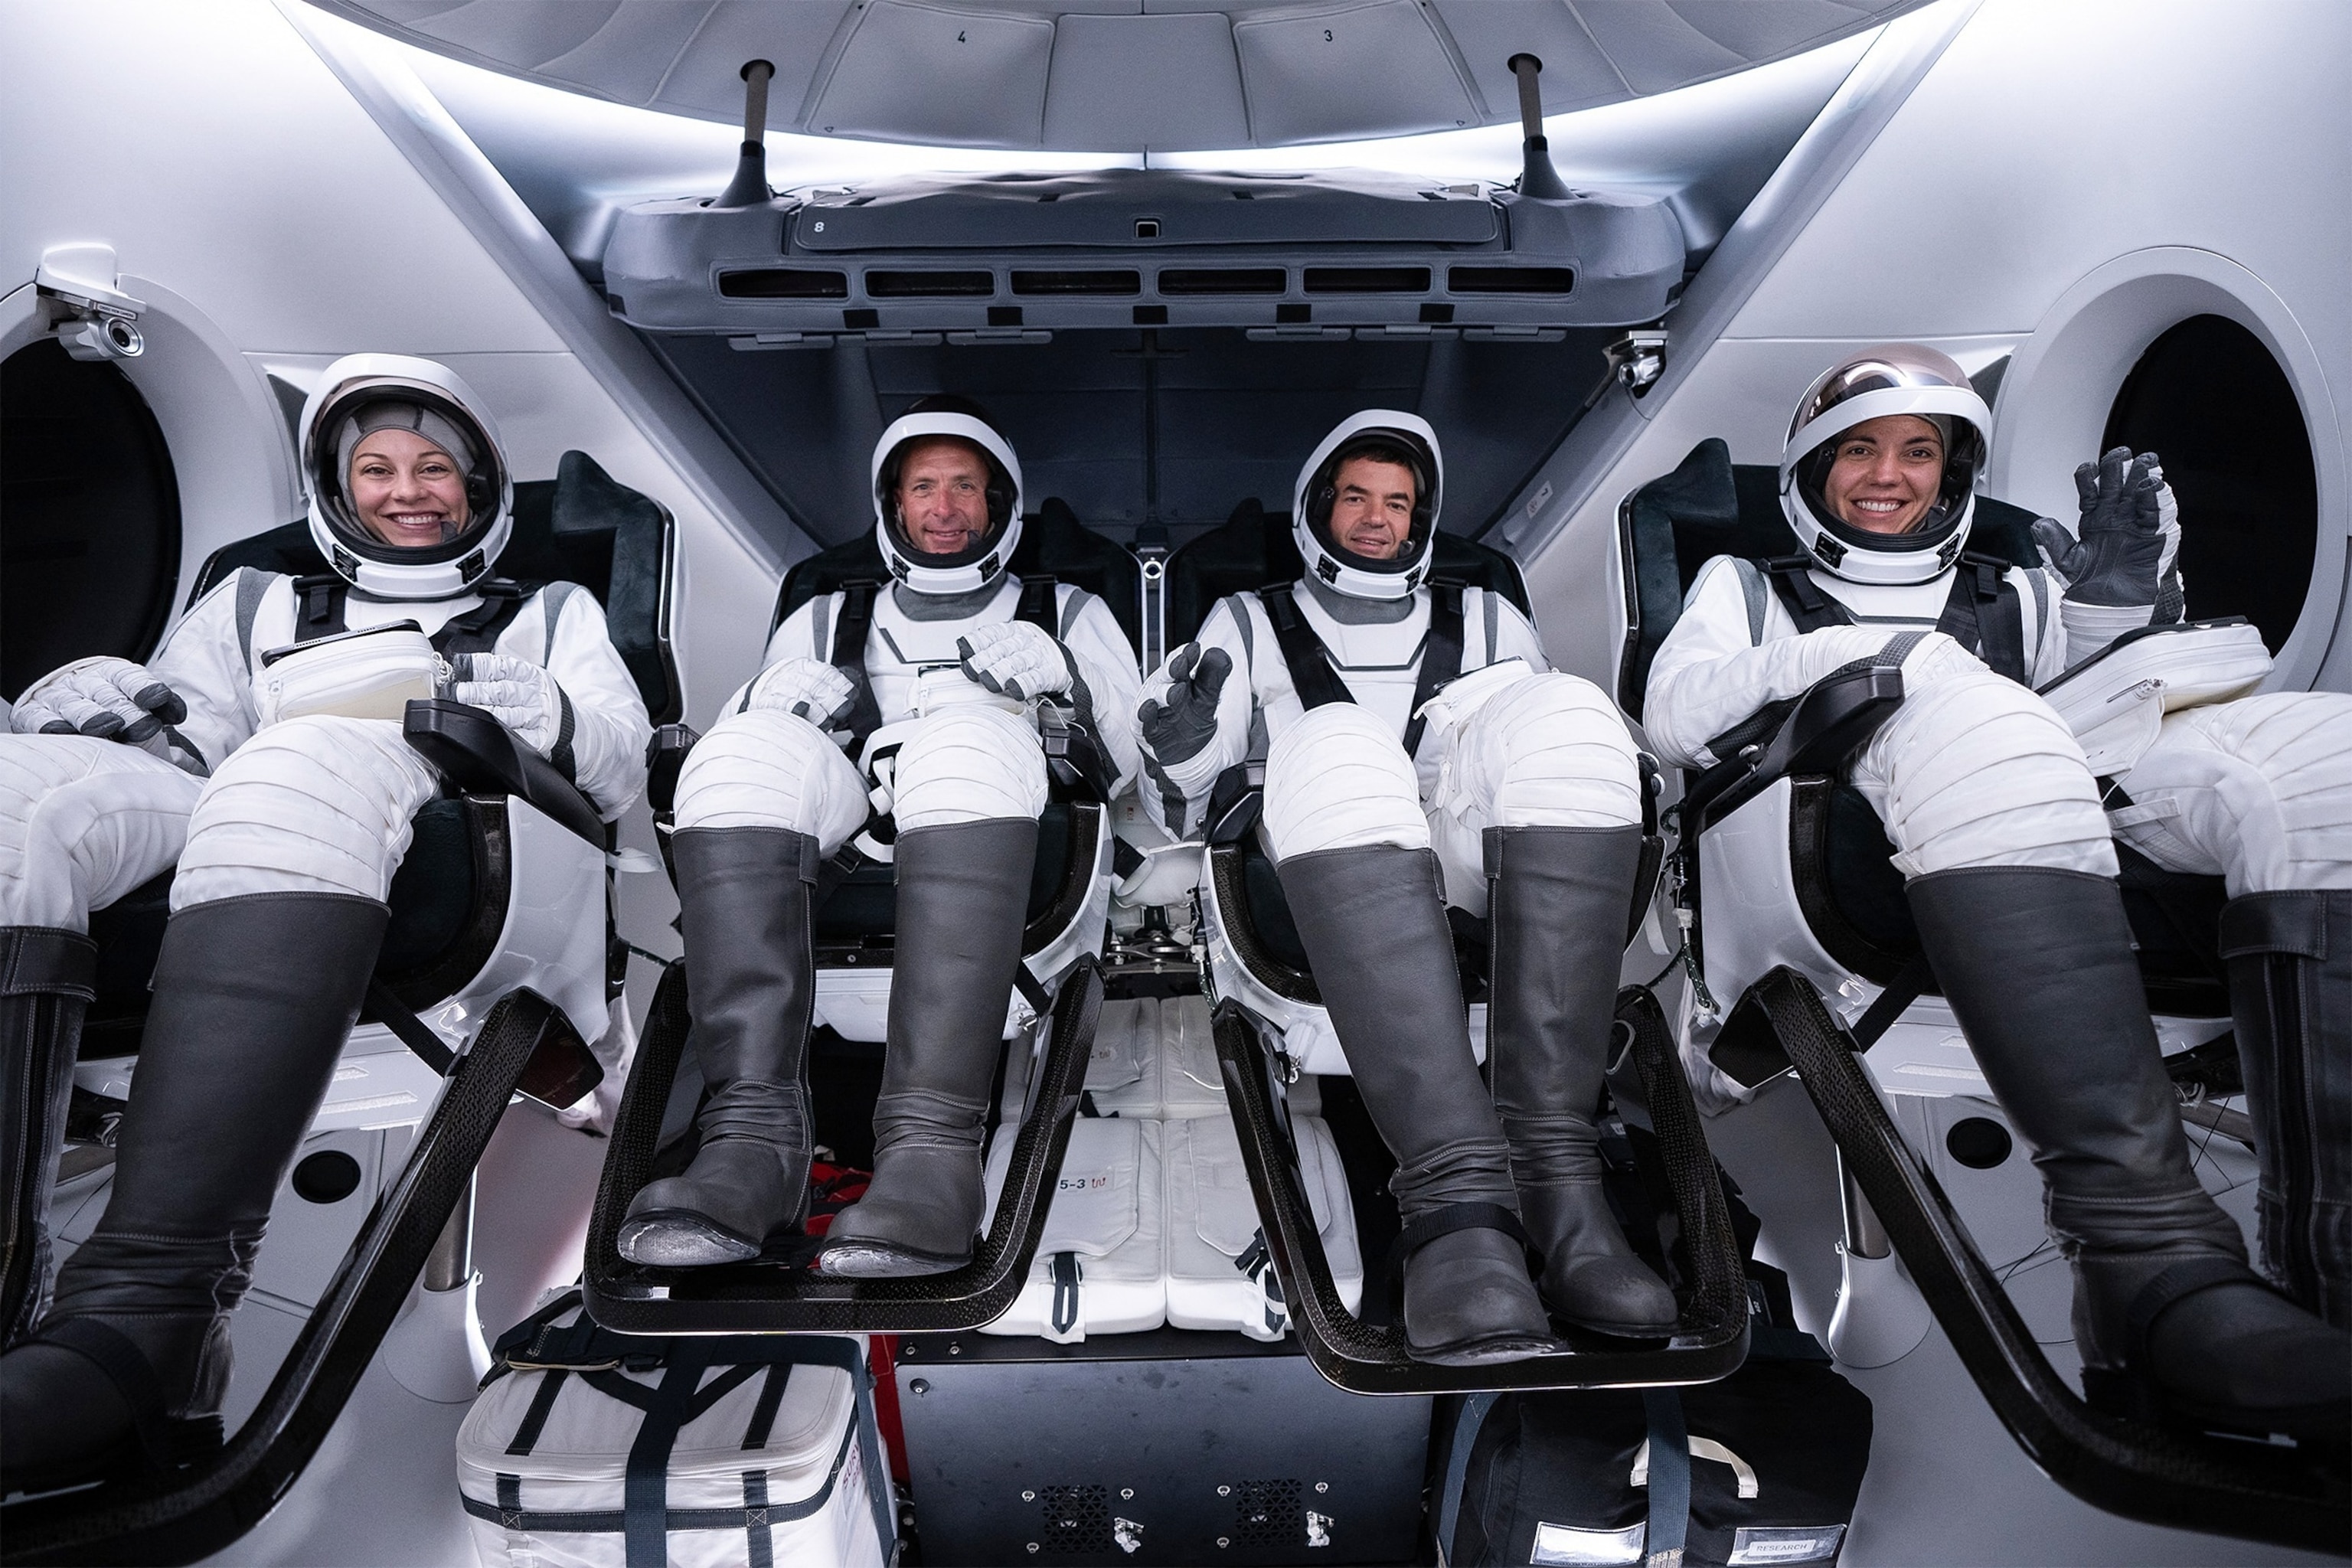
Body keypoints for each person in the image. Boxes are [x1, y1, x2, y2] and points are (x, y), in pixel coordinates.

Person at [1644, 343, 2347, 1436]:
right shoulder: (1748, 588)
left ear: (1950, 472)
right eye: (1859, 450)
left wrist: (2115, 619)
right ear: (1812, 473)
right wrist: (1874, 660)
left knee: (2317, 759)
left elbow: (2100, 718)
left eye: (1918, 452)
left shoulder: (2019, 587)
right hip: (1818, 871)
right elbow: (1676, 715)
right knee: (1978, 714)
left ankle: (2336, 1255)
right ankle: (2147, 1272)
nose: (1889, 473)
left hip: (2044, 839)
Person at [0, 354, 652, 1491]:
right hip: (234, 788)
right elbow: (185, 733)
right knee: (22, 799)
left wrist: (542, 710)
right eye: (378, 467)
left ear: (482, 482)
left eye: (435, 466)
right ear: (339, 489)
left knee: (294, 762)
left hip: (453, 822)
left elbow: (624, 763)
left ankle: (150, 1322)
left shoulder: (550, 610)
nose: (409, 490)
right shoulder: (254, 599)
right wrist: (105, 711)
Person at [1135, 410, 1676, 1367]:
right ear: (1318, 509)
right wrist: (1174, 750)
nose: (1379, 519)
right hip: (1310, 867)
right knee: (1335, 735)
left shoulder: (1488, 618)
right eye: (1358, 497)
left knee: (1571, 712)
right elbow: (1181, 809)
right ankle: (1457, 1207)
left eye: (1399, 502)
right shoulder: (1247, 622)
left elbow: (1524, 767)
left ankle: (1563, 1187)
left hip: (1463, 867)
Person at [617, 397, 1141, 1279]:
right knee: (736, 750)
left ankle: (931, 1158)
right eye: (924, 487)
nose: (944, 508)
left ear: (1001, 504)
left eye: (965, 487)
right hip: (856, 820)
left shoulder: (1068, 607)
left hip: (1000, 814)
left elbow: (1125, 766)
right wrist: (774, 706)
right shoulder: (827, 613)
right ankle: (750, 1143)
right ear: (893, 506)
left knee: (961, 739)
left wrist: (1062, 683)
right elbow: (759, 743)